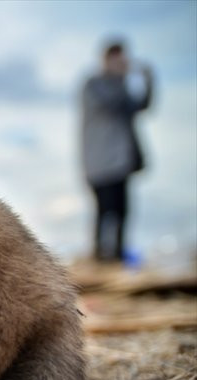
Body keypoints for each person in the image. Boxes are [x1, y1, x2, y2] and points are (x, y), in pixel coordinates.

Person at [81, 40, 155, 263]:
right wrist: (121, 76)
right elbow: (112, 104)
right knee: (106, 212)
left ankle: (118, 256)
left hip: (121, 164)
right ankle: (100, 257)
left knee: (122, 212)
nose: (123, 64)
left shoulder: (120, 86)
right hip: (99, 163)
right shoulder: (94, 84)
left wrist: (148, 79)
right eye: (119, 59)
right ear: (106, 59)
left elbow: (142, 105)